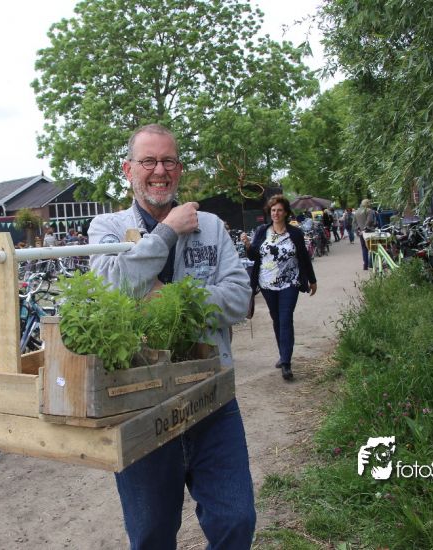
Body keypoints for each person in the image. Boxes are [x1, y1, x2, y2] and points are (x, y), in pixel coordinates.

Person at [88, 124, 255, 549]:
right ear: (128, 169)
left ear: (179, 169)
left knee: (236, 521)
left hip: (211, 398)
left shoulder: (211, 227)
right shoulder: (107, 228)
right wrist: (167, 233)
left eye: (168, 161)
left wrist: (170, 298)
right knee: (151, 537)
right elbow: (111, 287)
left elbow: (240, 299)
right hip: (140, 406)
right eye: (148, 161)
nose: (159, 170)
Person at [241, 195, 317, 381]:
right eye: (273, 210)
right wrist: (248, 245)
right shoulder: (262, 231)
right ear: (270, 212)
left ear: (286, 212)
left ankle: (286, 363)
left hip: (290, 282)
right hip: (267, 283)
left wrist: (312, 280)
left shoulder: (295, 233)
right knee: (276, 319)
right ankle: (283, 354)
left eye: (279, 210)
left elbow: (304, 257)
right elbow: (254, 256)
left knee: (285, 319)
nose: (276, 213)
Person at [353, 199, 378, 270]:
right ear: (368, 203)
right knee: (373, 247)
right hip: (370, 232)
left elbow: (354, 222)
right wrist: (365, 228)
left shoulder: (357, 211)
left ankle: (365, 265)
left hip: (361, 233)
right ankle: (372, 264)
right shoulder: (369, 211)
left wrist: (358, 230)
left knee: (364, 248)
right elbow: (370, 220)